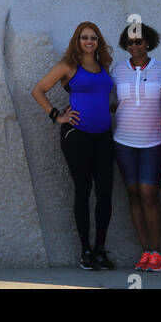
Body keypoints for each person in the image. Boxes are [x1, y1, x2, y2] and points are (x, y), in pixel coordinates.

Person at [31, 21, 116, 271]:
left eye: (93, 38)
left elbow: (100, 95)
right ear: (77, 41)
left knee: (105, 192)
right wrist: (57, 115)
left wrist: (109, 108)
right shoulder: (68, 65)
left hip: (103, 135)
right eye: (84, 37)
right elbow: (38, 90)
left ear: (98, 41)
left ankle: (100, 249)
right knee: (83, 189)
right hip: (77, 136)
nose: (89, 41)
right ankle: (85, 251)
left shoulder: (103, 66)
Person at [111, 21, 161, 272]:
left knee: (149, 195)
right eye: (129, 42)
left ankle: (157, 253)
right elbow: (111, 102)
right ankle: (145, 252)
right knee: (133, 194)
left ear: (148, 41)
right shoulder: (117, 70)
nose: (134, 46)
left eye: (138, 41)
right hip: (123, 142)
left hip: (153, 142)